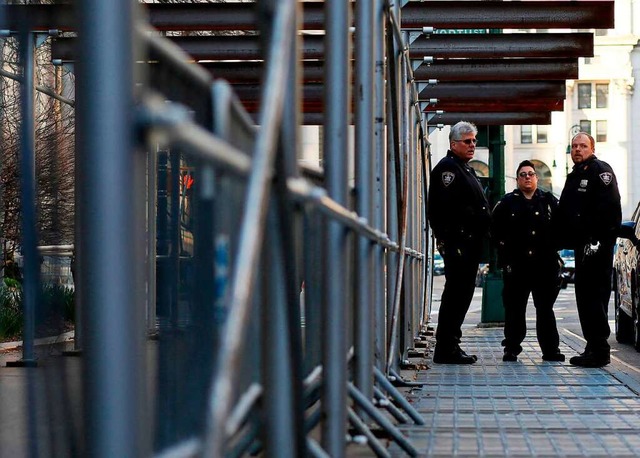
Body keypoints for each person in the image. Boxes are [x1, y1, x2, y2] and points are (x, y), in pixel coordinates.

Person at [555, 132, 621, 367]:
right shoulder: (575, 174)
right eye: (574, 146)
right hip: (581, 246)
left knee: (594, 297)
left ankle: (600, 350)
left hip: (596, 247)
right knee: (584, 297)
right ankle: (592, 346)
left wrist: (598, 240)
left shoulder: (600, 171)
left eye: (583, 146)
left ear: (592, 148)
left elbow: (611, 209)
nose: (577, 150)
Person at [428, 121, 491, 364]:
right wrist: (451, 241)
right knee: (456, 296)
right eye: (467, 141)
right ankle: (446, 348)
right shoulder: (449, 170)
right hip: (460, 245)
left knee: (461, 296)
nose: (473, 144)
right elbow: (443, 211)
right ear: (454, 144)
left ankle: (450, 345)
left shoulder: (463, 168)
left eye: (474, 140)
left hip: (468, 244)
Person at [491, 160, 564, 362]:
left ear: (536, 177)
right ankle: (512, 348)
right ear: (517, 179)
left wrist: (554, 251)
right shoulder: (507, 203)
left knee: (545, 310)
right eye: (522, 174)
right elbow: (495, 232)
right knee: (515, 310)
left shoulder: (549, 201)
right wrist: (505, 258)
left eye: (530, 174)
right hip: (517, 266)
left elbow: (562, 227)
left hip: (544, 266)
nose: (527, 177)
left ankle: (551, 350)